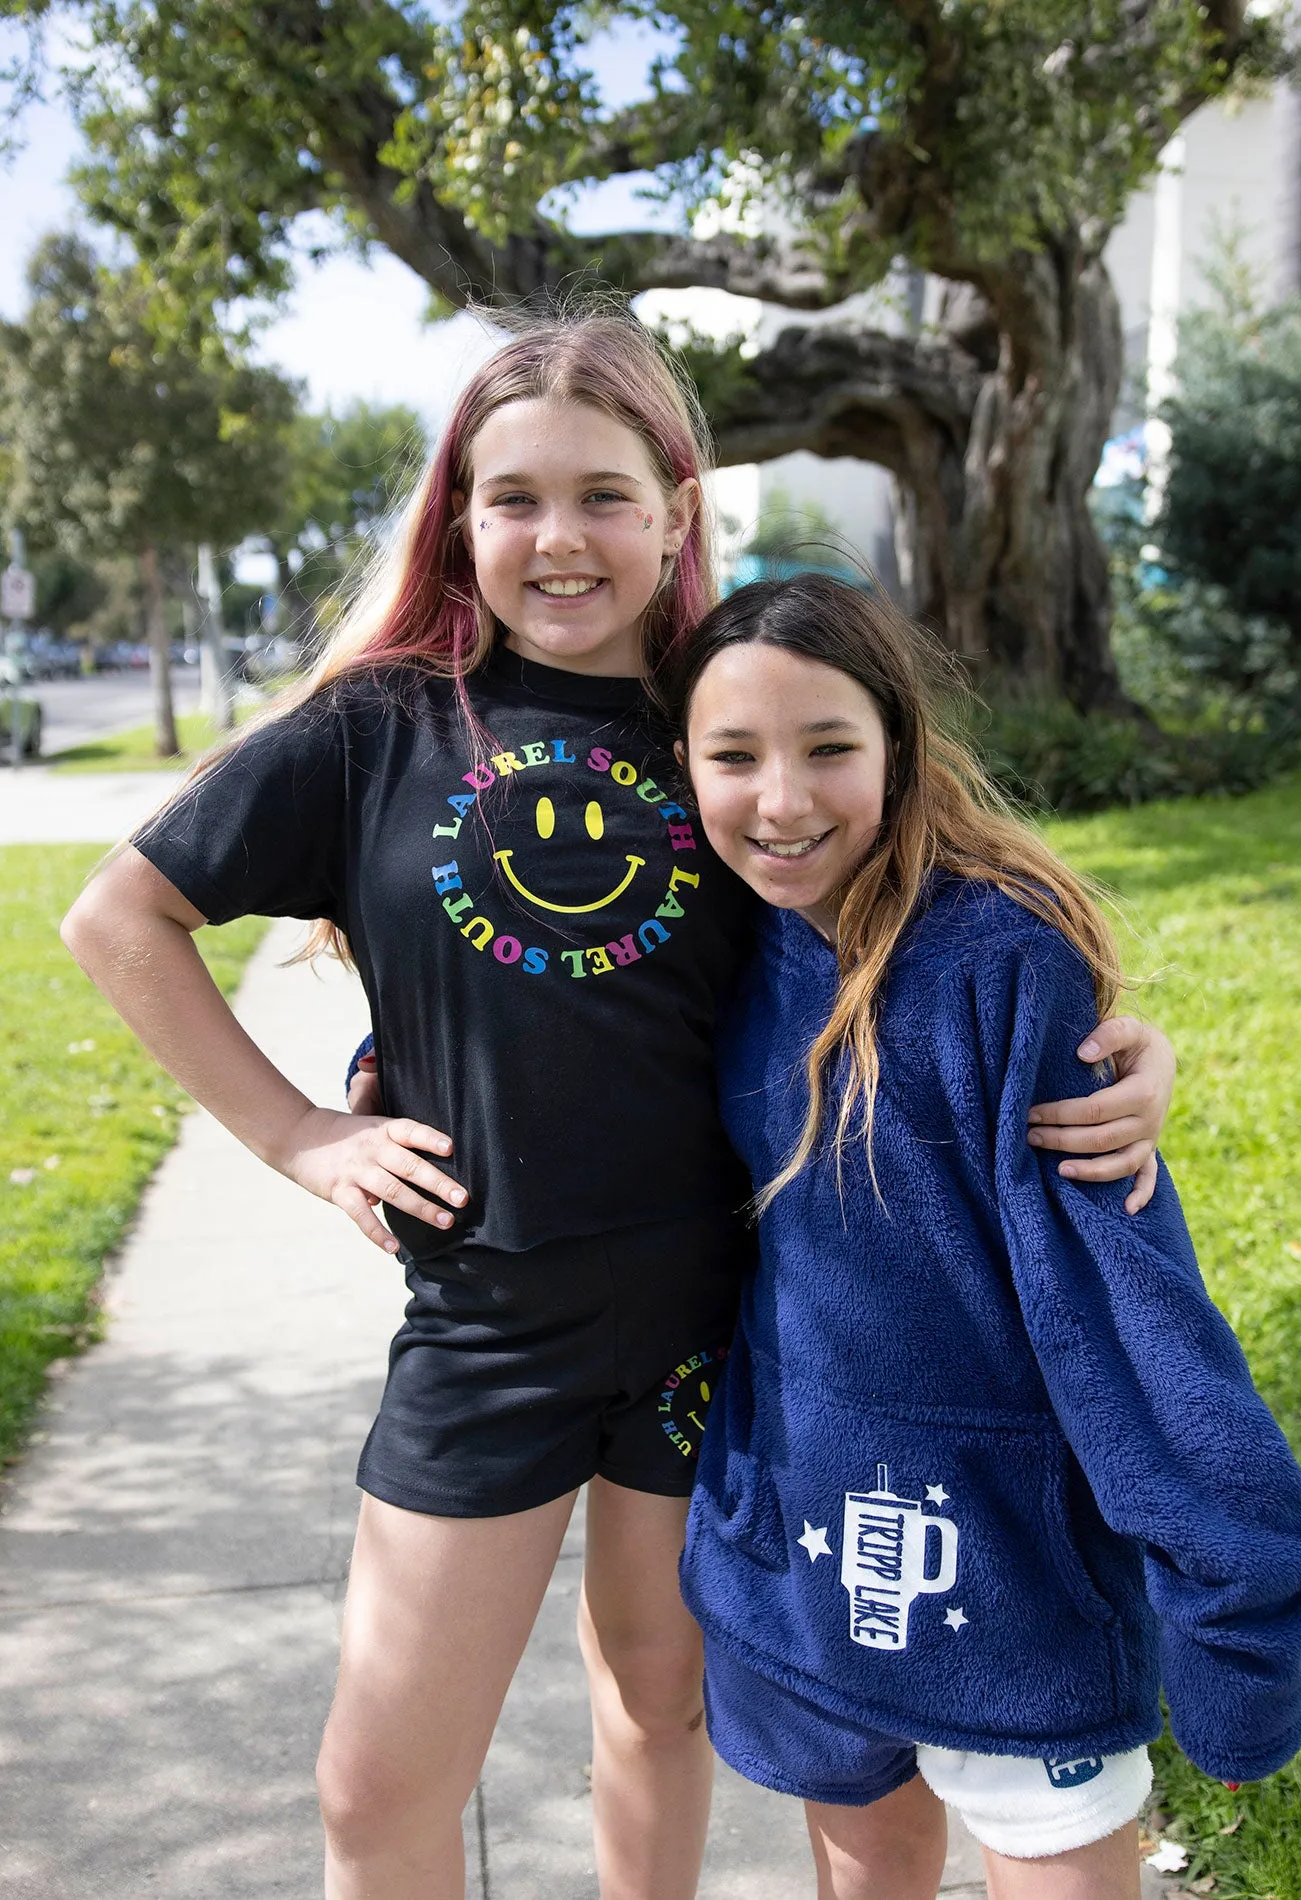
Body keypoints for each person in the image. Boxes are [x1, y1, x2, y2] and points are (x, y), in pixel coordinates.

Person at [60, 311, 1179, 1900]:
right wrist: (301, 1134)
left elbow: (939, 927)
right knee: (376, 1784)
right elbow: (119, 920)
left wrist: (1122, 1046)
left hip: (717, 1333)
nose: (558, 537)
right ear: (462, 519)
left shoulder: (731, 722)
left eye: (603, 494)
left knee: (659, 1710)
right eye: (514, 498)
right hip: (491, 1328)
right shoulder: (383, 727)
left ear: (676, 511)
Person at [661, 575, 1301, 1900]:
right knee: (864, 1866)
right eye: (733, 756)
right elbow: (563, 1041)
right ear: (682, 766)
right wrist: (395, 1060)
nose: (781, 801)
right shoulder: (714, 936)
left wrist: (1237, 1613)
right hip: (795, 1538)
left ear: (899, 748)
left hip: (1007, 1567)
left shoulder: (992, 963)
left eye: (829, 749)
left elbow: (1126, 1308)